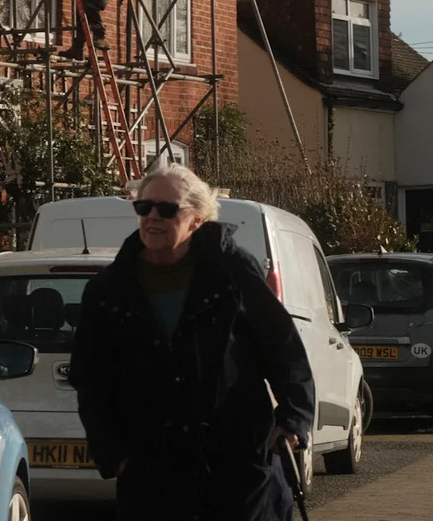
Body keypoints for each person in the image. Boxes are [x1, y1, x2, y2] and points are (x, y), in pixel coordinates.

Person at [68, 165, 315, 520]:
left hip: (237, 467)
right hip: (152, 473)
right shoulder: (109, 289)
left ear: (197, 220)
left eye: (167, 209)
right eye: (144, 207)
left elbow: (283, 348)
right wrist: (113, 452)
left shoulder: (232, 271)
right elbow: (90, 377)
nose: (153, 217)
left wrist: (293, 419)